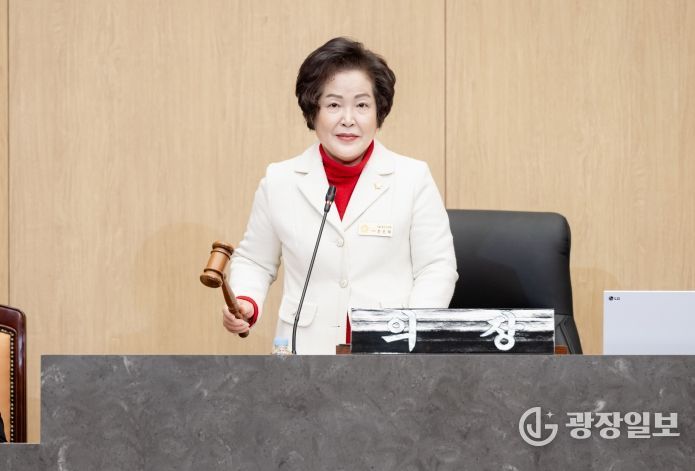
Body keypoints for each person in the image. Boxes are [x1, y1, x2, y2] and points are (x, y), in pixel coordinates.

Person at [222, 37, 457, 354]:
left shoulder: (413, 178)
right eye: (333, 105)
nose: (348, 119)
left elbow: (437, 268)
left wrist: (410, 333)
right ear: (313, 110)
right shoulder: (280, 181)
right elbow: (254, 261)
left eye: (362, 105)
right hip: (305, 351)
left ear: (378, 111)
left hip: (390, 351)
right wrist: (245, 301)